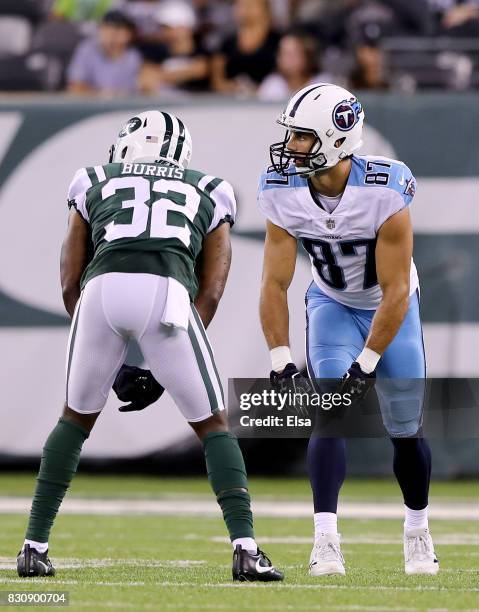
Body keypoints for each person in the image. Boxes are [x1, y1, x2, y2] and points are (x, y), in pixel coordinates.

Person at [16, 110, 283, 583]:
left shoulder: (93, 178)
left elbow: (68, 277)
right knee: (213, 426)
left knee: (74, 419)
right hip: (166, 293)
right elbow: (213, 288)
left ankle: (33, 547)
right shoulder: (210, 188)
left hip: (99, 293)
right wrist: (161, 367)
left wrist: (103, 343)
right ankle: (245, 548)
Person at [258, 83, 438, 577]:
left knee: (404, 428)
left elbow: (397, 289)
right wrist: (279, 359)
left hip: (390, 308)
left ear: (336, 140)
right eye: (291, 136)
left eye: (301, 137)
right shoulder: (282, 187)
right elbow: (275, 282)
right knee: (329, 414)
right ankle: (325, 540)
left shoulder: (384, 186)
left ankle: (418, 530)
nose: (291, 146)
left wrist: (369, 362)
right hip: (332, 302)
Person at [211, 0, 279, 95]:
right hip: (232, 100)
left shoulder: (278, 41)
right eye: (240, 5)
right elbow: (217, 79)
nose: (245, 9)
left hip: (271, 98)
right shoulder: (226, 42)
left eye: (251, 5)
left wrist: (262, 89)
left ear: (265, 9)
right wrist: (232, 87)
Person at [66, 10, 142, 96]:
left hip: (123, 107)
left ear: (128, 34)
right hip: (91, 106)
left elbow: (141, 89)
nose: (112, 35)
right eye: (107, 29)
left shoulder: (134, 56)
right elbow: (75, 86)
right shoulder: (87, 49)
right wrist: (102, 94)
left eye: (118, 29)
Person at [257, 32, 332, 101]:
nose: (291, 59)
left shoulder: (323, 85)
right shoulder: (271, 84)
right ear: (278, 59)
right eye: (286, 54)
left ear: (307, 56)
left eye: (296, 53)